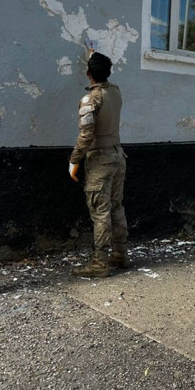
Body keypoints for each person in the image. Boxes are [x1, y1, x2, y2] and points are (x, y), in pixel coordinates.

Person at [69, 52, 129, 278]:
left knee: (100, 211)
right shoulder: (115, 92)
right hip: (117, 155)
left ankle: (100, 262)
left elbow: (86, 135)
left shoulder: (91, 99)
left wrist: (74, 159)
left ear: (88, 73)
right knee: (116, 206)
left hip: (100, 160)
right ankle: (120, 253)